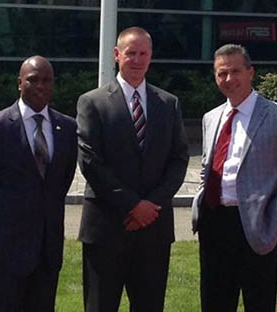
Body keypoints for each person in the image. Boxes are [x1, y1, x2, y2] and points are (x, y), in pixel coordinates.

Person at [76, 26, 189, 312]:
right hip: (106, 228)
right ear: (116, 55)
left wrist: (150, 205)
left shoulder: (168, 104)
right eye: (130, 53)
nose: (137, 60)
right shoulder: (93, 102)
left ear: (151, 57)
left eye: (143, 54)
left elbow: (178, 160)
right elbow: (90, 162)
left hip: (154, 228)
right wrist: (132, 205)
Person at [191, 44, 277, 312]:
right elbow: (207, 166)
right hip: (214, 222)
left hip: (257, 225)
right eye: (222, 73)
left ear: (250, 72)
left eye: (236, 71)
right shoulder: (211, 118)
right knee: (214, 301)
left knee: (259, 301)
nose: (229, 79)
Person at [0, 55, 78, 312]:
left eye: (47, 80)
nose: (41, 86)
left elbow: (60, 183)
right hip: (4, 250)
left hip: (46, 252)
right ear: (19, 83)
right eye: (33, 80)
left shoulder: (68, 129)